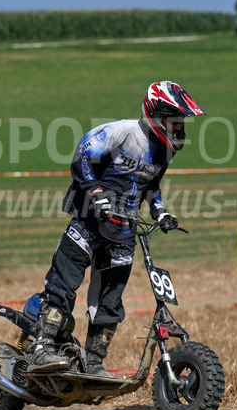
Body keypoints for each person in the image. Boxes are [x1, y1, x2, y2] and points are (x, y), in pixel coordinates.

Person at [27, 80, 205, 378]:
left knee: (110, 301)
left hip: (125, 230)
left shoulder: (164, 152)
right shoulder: (122, 131)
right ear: (156, 114)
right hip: (88, 222)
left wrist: (160, 211)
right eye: (174, 122)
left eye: (180, 123)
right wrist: (96, 192)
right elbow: (83, 154)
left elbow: (152, 186)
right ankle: (40, 348)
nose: (178, 129)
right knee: (63, 286)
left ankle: (94, 362)